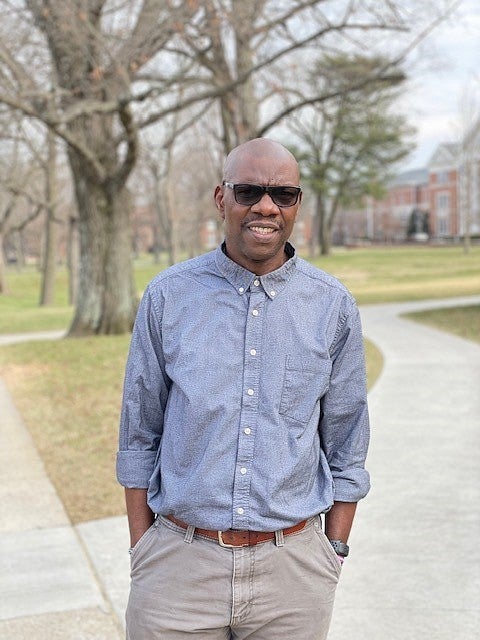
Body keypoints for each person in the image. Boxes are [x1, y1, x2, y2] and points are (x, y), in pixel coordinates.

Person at [116, 137, 370, 639]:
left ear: (297, 203)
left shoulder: (332, 307)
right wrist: (143, 549)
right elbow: (138, 434)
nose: (266, 207)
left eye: (284, 195)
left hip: (293, 574)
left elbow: (347, 442)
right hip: (178, 568)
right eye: (249, 191)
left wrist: (332, 550)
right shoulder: (168, 297)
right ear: (221, 198)